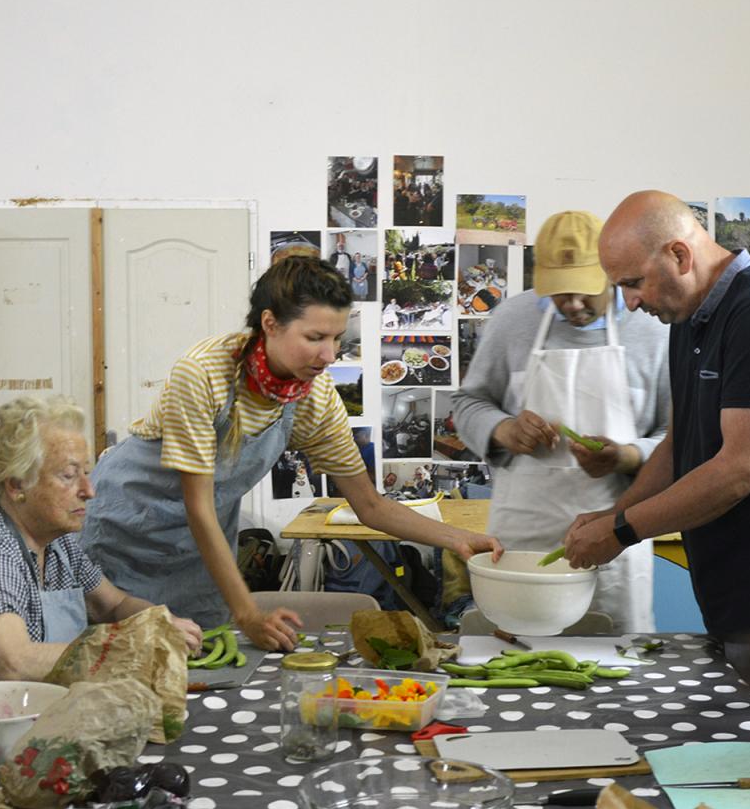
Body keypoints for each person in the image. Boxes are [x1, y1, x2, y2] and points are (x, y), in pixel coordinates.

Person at [83, 256, 501, 652]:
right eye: (315, 337)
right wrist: (247, 613)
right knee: (121, 661)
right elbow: (198, 506)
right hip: (126, 536)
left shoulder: (313, 400)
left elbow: (371, 505)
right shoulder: (205, 374)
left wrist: (461, 540)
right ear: (270, 323)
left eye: (337, 337)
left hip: (199, 555)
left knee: (201, 668)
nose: (329, 355)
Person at [564, 192, 750, 734]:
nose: (628, 302)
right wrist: (615, 514)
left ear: (679, 255)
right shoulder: (691, 320)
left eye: (633, 282)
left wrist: (622, 531)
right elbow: (681, 446)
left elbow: (743, 468)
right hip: (730, 589)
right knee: (732, 758)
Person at [453, 210, 671, 632]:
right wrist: (503, 429)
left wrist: (625, 456)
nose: (572, 304)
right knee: (515, 668)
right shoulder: (512, 321)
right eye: (558, 292)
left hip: (613, 542)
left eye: (584, 291)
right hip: (522, 543)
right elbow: (468, 404)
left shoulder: (652, 331)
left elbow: (674, 438)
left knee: (611, 672)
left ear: (610, 273)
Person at [0, 397, 202, 687]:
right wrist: (134, 648)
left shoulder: (58, 546)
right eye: (68, 475)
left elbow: (114, 606)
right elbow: (12, 663)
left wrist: (159, 623)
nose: (89, 491)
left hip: (42, 708)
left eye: (86, 473)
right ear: (16, 485)